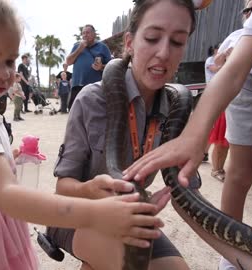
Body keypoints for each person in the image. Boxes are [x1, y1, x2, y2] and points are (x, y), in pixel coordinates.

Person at [0, 1, 166, 269]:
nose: (6, 73)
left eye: (10, 60)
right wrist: (96, 214)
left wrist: (4, 158)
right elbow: (6, 195)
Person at [123, 0, 252, 269]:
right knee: (241, 172)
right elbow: (231, 72)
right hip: (249, 85)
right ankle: (231, 259)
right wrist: (194, 135)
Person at [46, 1, 200, 269]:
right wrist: (93, 191)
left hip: (129, 216)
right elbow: (63, 187)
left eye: (177, 41)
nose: (164, 53)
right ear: (129, 42)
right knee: (123, 263)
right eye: (152, 38)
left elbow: (189, 194)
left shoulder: (178, 107)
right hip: (75, 213)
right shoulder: (92, 99)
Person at [66, 24, 111, 111]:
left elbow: (110, 65)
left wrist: (101, 67)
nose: (85, 35)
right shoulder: (77, 46)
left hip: (95, 86)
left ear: (94, 34)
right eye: (83, 33)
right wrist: (80, 48)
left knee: (94, 113)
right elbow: (68, 61)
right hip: (77, 86)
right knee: (76, 113)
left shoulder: (103, 47)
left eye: (87, 32)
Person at [204, 43, 230, 182]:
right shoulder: (211, 60)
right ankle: (217, 168)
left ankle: (203, 153)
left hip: (231, 101)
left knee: (214, 131)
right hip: (217, 98)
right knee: (219, 135)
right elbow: (215, 69)